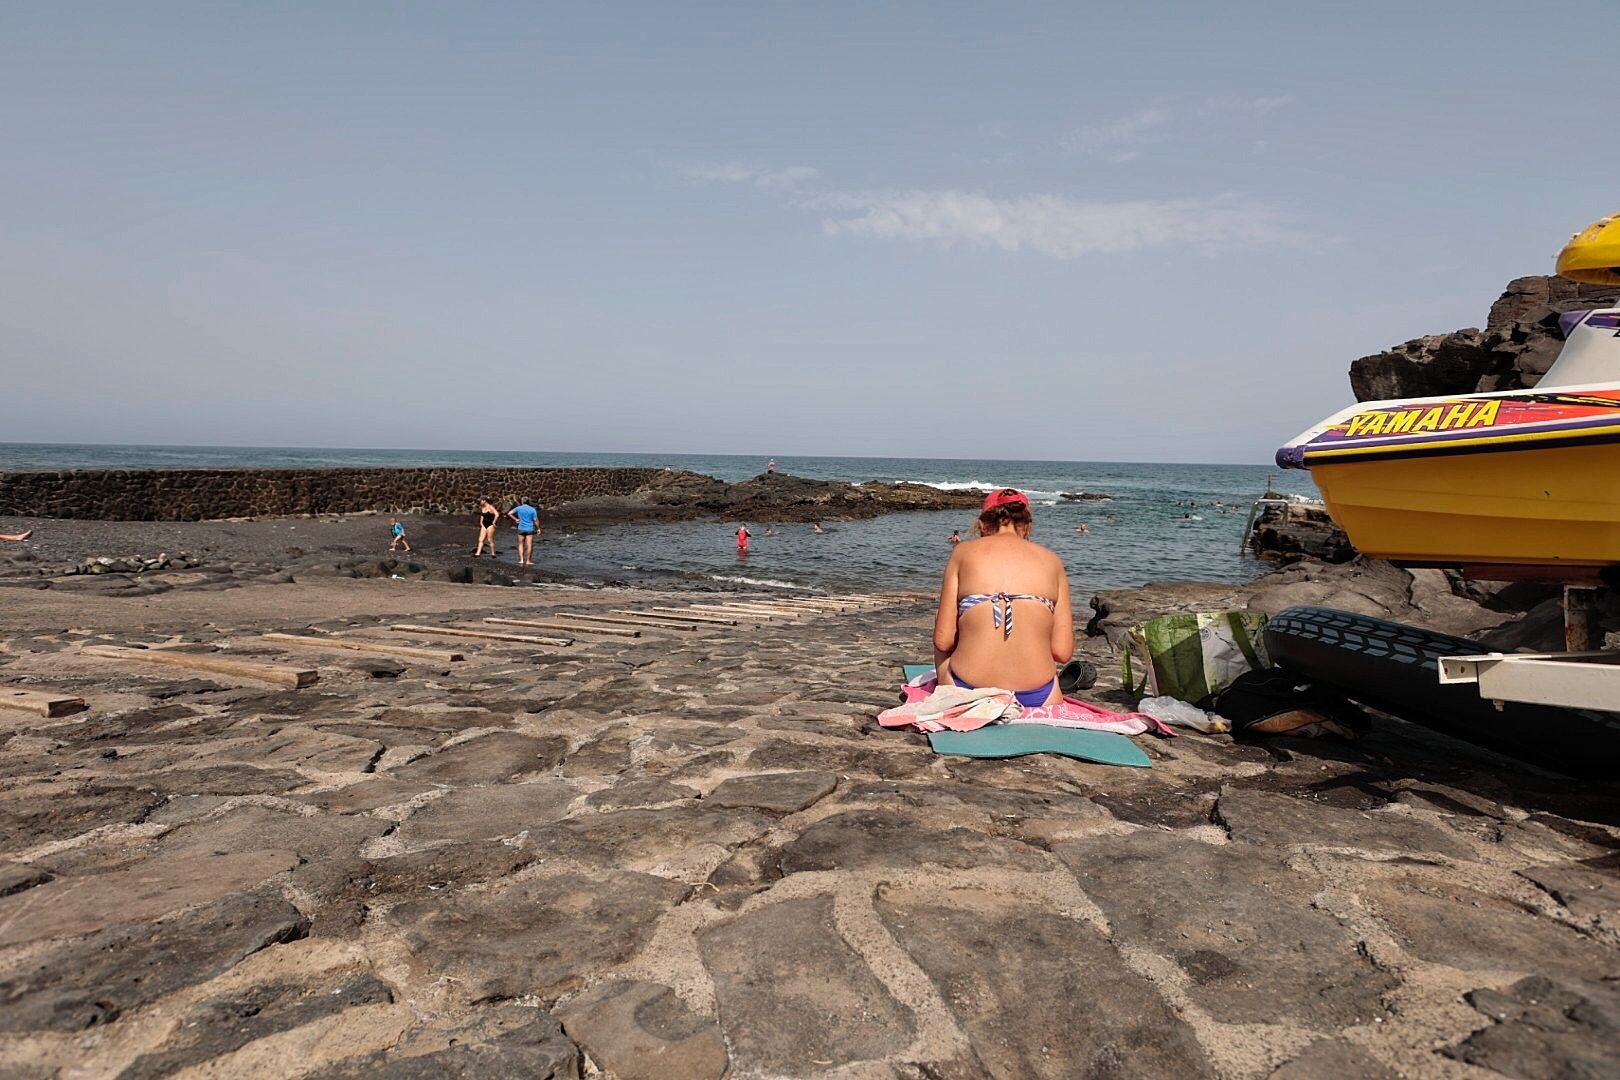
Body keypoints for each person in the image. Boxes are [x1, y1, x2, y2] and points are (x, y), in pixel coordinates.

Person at [932, 488, 1073, 708]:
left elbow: (943, 641)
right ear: (1027, 525)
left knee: (945, 620)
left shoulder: (963, 552)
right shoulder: (1053, 561)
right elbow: (1062, 652)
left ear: (982, 524)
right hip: (1038, 695)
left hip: (968, 690)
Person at [509, 498, 541, 566]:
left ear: (522, 502)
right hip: (529, 529)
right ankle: (528, 561)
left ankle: (521, 560)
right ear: (528, 502)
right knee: (529, 545)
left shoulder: (519, 508)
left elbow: (509, 513)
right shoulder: (532, 509)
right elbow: (535, 520)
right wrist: (538, 528)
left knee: (521, 544)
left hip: (521, 528)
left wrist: (516, 519)